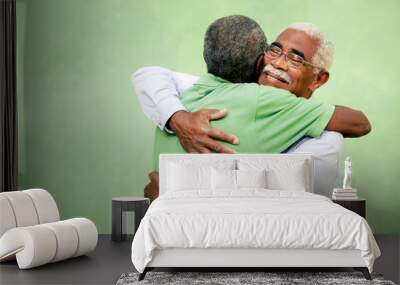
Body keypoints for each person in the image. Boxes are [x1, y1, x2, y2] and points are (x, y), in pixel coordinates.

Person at [133, 16, 370, 200]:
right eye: (274, 50)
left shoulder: (323, 141)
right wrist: (178, 117)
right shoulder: (240, 96)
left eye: (296, 59)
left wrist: (171, 196)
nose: (277, 63)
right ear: (259, 58)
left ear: (318, 79)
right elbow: (148, 75)